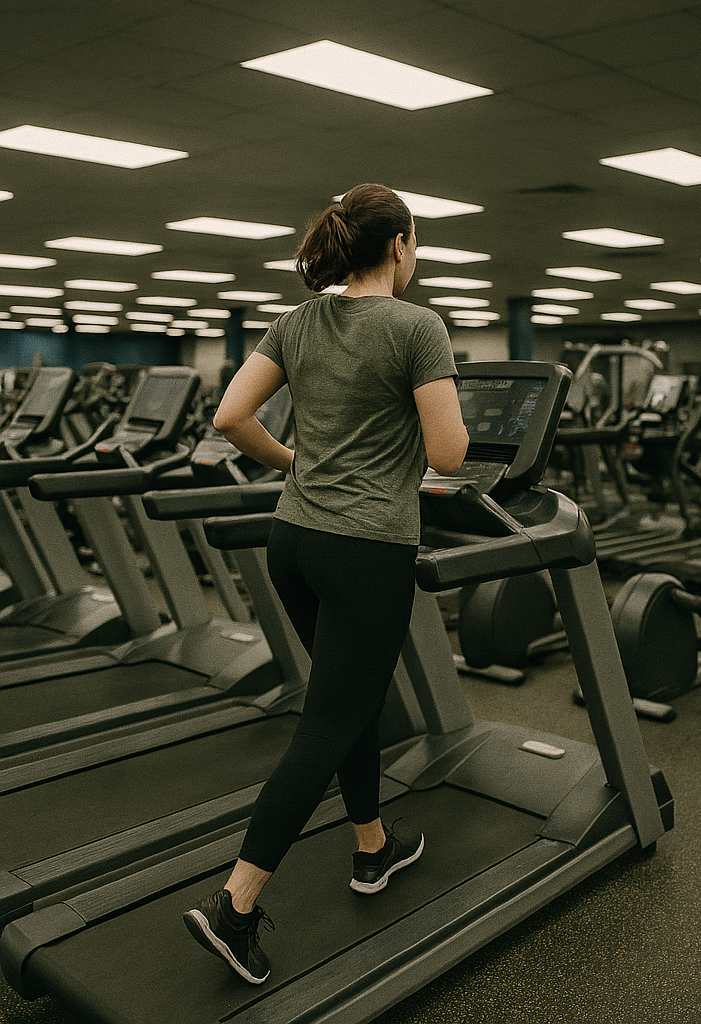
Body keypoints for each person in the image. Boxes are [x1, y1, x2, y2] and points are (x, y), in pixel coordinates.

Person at [182, 183, 469, 984]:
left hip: (294, 540)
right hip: (366, 548)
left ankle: (372, 849)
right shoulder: (420, 327)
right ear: (401, 247)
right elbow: (448, 455)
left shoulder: (297, 320)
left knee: (350, 701)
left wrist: (296, 463)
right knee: (329, 720)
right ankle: (236, 908)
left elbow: (230, 418)